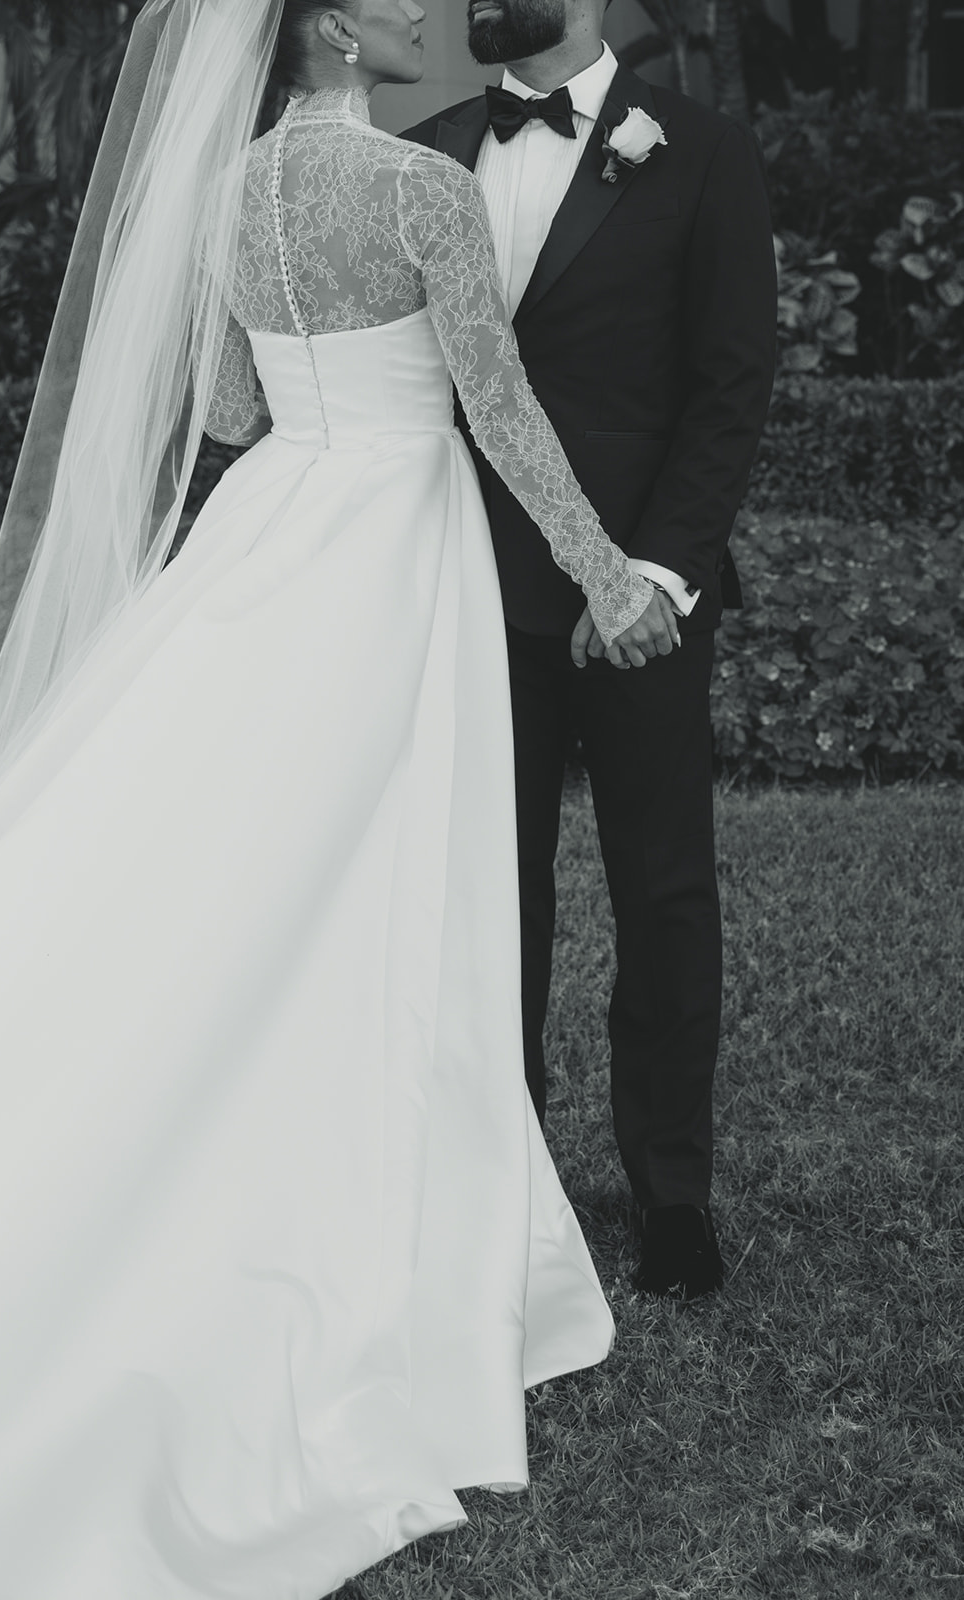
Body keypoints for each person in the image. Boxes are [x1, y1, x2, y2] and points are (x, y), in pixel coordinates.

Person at [0, 0, 672, 1595]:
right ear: (323, 31)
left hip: (269, 543)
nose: (418, 15)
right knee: (389, 885)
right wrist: (609, 575)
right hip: (391, 554)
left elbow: (240, 417)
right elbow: (499, 412)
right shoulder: (420, 191)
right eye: (384, 0)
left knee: (243, 881)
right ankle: (374, 1244)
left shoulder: (230, 192)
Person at [405, 0, 778, 1300]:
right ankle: (498, 1179)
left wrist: (656, 575)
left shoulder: (704, 149)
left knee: (663, 892)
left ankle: (670, 1193)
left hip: (643, 603)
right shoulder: (432, 146)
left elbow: (734, 379)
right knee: (490, 899)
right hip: (470, 592)